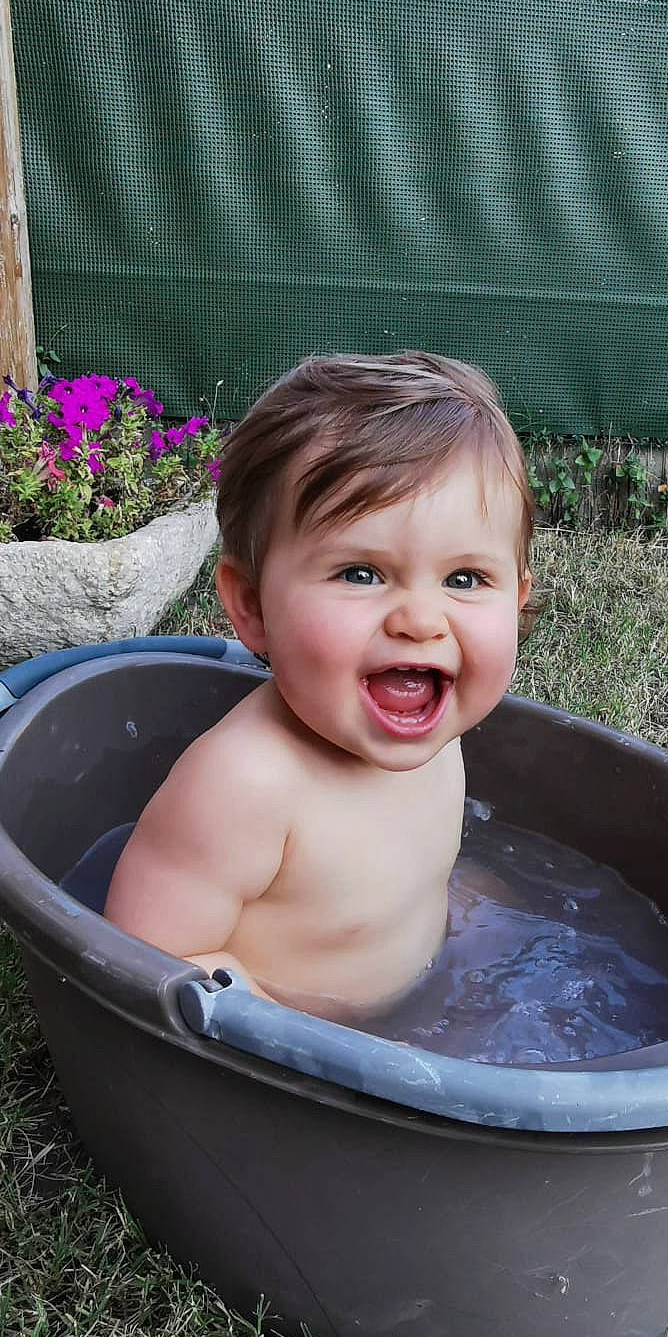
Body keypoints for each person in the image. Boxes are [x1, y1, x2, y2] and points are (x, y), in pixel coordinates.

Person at [104, 352, 534, 1017]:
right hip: (294, 1081)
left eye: (465, 579)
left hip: (416, 1011)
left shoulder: (436, 730)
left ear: (516, 597)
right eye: (361, 573)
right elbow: (140, 963)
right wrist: (294, 1042)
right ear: (251, 606)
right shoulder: (244, 786)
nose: (421, 621)